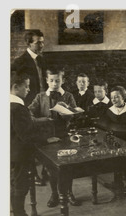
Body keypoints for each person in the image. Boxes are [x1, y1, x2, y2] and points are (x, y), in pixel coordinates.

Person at [11, 72, 59, 216]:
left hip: (12, 152)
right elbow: (26, 134)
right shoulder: (18, 108)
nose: (28, 89)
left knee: (15, 183)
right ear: (15, 87)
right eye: (26, 86)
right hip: (20, 153)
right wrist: (46, 140)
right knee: (21, 185)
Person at [28, 68, 81, 208]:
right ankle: (54, 194)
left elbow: (74, 115)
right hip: (48, 137)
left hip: (64, 135)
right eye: (51, 80)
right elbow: (28, 113)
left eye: (57, 80)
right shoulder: (40, 97)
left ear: (63, 80)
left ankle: (69, 193)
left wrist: (67, 113)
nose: (54, 83)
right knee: (52, 168)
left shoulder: (68, 96)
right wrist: (42, 120)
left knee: (67, 166)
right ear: (46, 81)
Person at [11, 30, 46, 106]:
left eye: (42, 42)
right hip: (29, 102)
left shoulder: (42, 59)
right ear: (29, 43)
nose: (42, 45)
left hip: (43, 101)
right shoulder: (19, 62)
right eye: (38, 43)